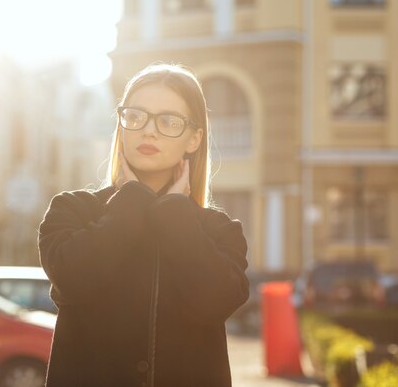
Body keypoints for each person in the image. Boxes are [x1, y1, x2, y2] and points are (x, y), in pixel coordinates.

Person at [37, 63, 249, 387]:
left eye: (168, 121)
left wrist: (175, 215)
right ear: (121, 125)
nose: (148, 130)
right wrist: (132, 201)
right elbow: (75, 279)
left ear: (194, 138)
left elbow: (215, 301)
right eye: (135, 116)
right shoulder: (72, 211)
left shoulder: (219, 231)